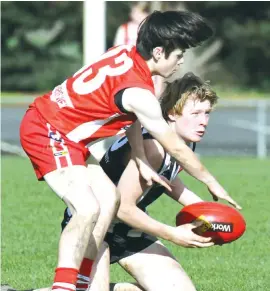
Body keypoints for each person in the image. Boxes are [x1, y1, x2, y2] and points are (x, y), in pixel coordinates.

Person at [19, 10, 240, 291]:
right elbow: (173, 146)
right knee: (88, 208)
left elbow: (129, 114)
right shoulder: (141, 93)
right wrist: (211, 183)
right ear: (159, 52)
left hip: (67, 136)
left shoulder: (125, 54)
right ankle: (63, 287)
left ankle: (82, 283)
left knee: (108, 200)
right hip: (48, 128)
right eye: (178, 54)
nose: (181, 60)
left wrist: (139, 157)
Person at [113, 2, 164, 98]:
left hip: (148, 76)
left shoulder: (153, 32)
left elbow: (160, 59)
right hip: (128, 74)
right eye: (136, 10)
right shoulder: (124, 29)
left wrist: (159, 84)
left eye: (142, 11)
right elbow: (116, 55)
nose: (137, 13)